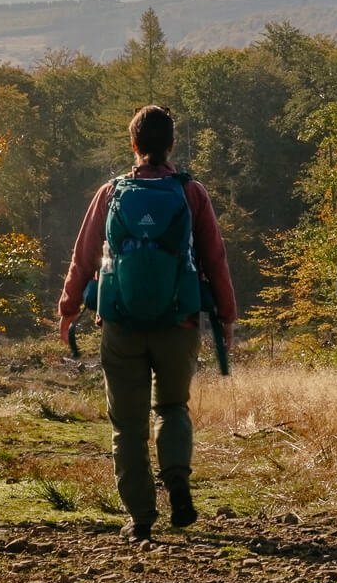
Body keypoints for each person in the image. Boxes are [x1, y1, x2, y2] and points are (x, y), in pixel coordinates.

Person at [58, 105, 237, 542]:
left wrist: (68, 310)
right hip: (179, 321)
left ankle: (141, 518)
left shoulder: (112, 191)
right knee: (172, 407)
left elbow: (84, 257)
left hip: (120, 322)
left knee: (128, 424)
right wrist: (226, 317)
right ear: (170, 144)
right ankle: (177, 480)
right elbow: (214, 258)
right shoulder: (191, 191)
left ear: (133, 144)